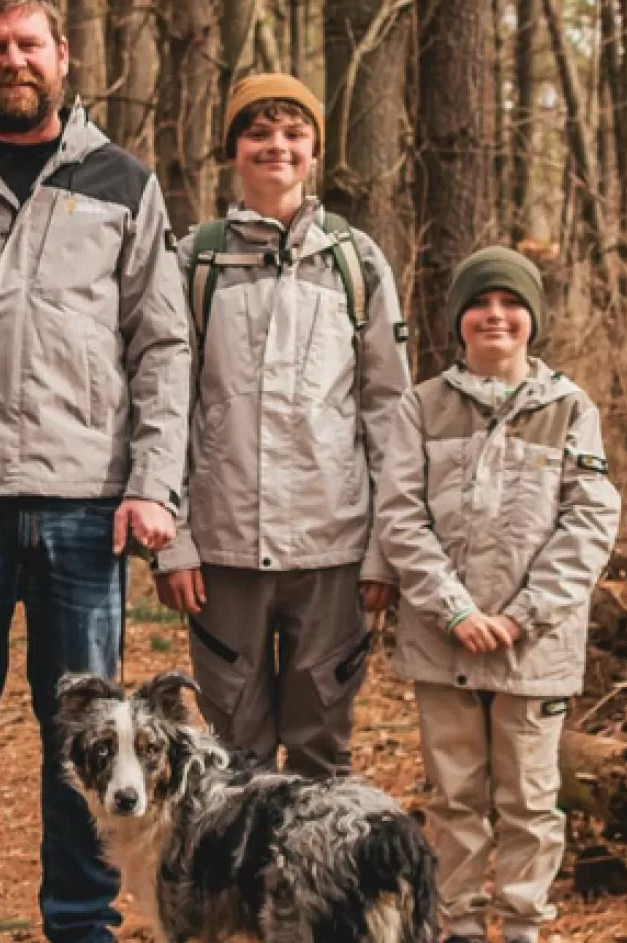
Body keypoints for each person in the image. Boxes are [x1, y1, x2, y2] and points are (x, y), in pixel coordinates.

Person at [0, 1, 190, 941]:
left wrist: (152, 481)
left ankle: (80, 920)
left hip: (84, 505)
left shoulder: (123, 181)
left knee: (90, 740)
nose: (12, 60)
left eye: (28, 45)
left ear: (63, 55)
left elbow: (163, 343)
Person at [151, 73, 411, 778]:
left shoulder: (355, 262)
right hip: (222, 554)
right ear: (234, 150)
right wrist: (171, 540)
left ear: (315, 150)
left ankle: (320, 889)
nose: (277, 146)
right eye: (258, 132)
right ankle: (245, 889)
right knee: (234, 755)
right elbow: (165, 403)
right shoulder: (194, 260)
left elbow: (390, 409)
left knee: (324, 749)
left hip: (333, 551)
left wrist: (388, 548)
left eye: (294, 133)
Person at [373, 247, 621, 943]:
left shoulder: (571, 408)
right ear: (459, 318)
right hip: (441, 637)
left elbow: (590, 520)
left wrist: (521, 614)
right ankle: (458, 926)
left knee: (530, 802)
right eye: (480, 303)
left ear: (532, 317)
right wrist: (453, 607)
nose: (495, 315)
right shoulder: (420, 405)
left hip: (533, 646)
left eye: (511, 303)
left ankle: (521, 927)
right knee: (454, 798)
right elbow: (399, 514)